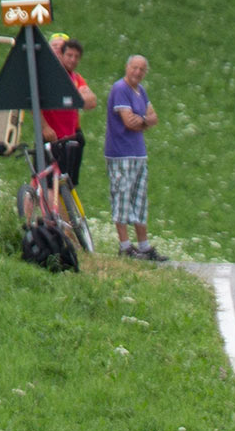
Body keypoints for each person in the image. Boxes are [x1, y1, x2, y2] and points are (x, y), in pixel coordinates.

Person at [104, 53, 160, 261]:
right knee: (122, 197)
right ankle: (125, 246)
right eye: (134, 68)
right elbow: (129, 122)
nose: (137, 72)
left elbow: (154, 118)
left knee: (139, 199)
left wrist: (143, 120)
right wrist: (145, 121)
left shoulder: (140, 91)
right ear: (127, 67)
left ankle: (143, 246)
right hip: (120, 153)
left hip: (138, 152)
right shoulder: (120, 89)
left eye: (141, 69)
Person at [43, 35, 97, 190]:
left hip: (69, 135)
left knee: (66, 184)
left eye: (76, 57)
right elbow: (35, 103)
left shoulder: (75, 77)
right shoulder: (51, 75)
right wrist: (45, 127)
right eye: (69, 55)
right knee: (47, 184)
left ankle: (61, 214)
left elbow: (91, 101)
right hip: (52, 136)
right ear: (61, 54)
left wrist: (73, 96)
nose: (73, 60)